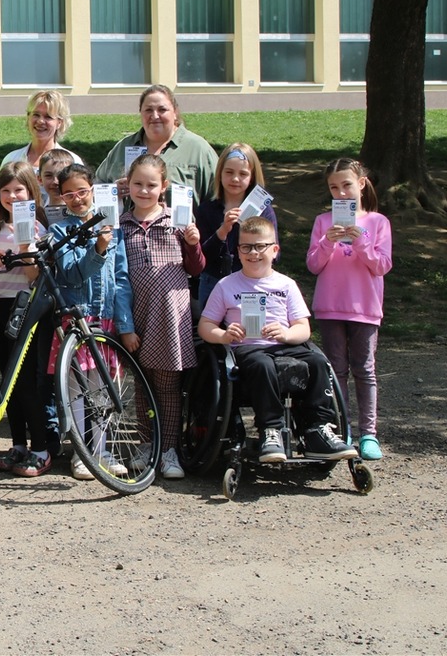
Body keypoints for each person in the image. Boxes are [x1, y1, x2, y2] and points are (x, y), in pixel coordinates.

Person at [200, 216, 358, 463]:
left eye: (260, 246)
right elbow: (205, 325)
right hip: (248, 350)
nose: (253, 253)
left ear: (274, 250)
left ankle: (318, 429)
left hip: (286, 346)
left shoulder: (287, 285)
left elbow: (303, 328)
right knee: (263, 364)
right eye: (246, 247)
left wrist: (286, 334)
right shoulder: (226, 285)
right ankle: (270, 430)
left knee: (317, 361)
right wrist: (224, 335)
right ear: (238, 251)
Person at [120, 153, 204, 480]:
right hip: (137, 312)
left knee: (168, 383)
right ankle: (146, 443)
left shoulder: (177, 221)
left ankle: (168, 448)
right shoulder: (121, 224)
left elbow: (196, 268)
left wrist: (194, 243)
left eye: (151, 185)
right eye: (138, 184)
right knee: (142, 383)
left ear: (164, 187)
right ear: (128, 186)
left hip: (170, 313)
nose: (144, 190)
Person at [50, 164, 135, 480]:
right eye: (69, 194)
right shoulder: (61, 232)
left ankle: (101, 450)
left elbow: (122, 278)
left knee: (104, 388)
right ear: (61, 196)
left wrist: (125, 326)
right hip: (76, 319)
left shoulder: (114, 228)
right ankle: (81, 454)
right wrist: (98, 247)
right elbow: (71, 272)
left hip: (106, 320)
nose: (77, 199)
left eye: (82, 191)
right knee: (76, 390)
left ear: (93, 190)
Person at [306, 158, 392, 461]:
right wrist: (327, 243)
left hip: (365, 308)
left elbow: (382, 265)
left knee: (365, 369)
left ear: (361, 184)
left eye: (346, 185)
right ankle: (341, 428)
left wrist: (361, 241)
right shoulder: (322, 221)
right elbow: (314, 265)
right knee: (335, 370)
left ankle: (369, 432)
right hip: (330, 307)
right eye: (334, 188)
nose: (341, 193)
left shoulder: (377, 222)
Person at [0, 162, 51, 478]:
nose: (12, 196)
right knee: (7, 381)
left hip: (25, 310)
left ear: (31, 192)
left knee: (25, 381)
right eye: (6, 190)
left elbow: (35, 276)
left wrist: (26, 250)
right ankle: (18, 445)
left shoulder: (38, 230)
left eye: (18, 190)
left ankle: (41, 448)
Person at [94, 84, 218, 204]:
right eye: (148, 110)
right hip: (125, 225)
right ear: (141, 113)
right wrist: (112, 191)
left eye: (162, 110)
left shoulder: (198, 149)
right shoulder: (123, 148)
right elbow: (95, 190)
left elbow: (218, 198)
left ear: (175, 113)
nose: (155, 116)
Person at [196, 143, 278, 307]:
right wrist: (223, 230)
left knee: (249, 330)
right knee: (211, 329)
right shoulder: (207, 209)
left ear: (252, 177)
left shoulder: (263, 211)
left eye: (243, 174)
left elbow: (275, 255)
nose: (235, 179)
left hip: (252, 283)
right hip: (213, 281)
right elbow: (202, 258)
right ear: (219, 173)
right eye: (229, 172)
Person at [0, 90, 84, 171]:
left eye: (48, 117)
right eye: (36, 115)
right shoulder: (11, 159)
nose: (40, 121)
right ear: (28, 117)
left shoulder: (72, 163)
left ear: (59, 123)